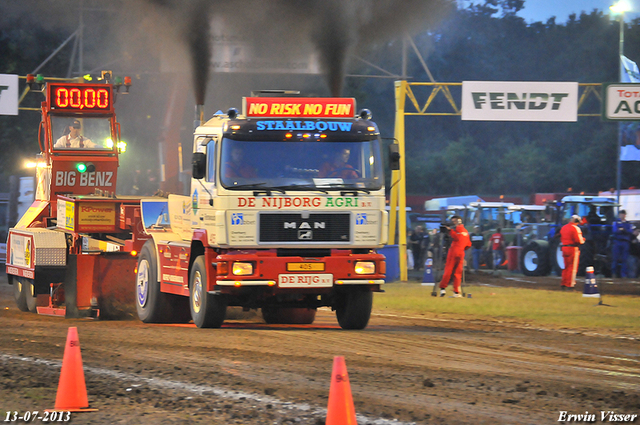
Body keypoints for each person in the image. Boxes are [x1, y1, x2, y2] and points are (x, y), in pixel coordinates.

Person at [438, 215, 471, 297]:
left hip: (453, 252)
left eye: (454, 221)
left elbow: (456, 237)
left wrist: (450, 231)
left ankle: (443, 288)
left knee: (448, 271)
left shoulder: (456, 231)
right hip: (461, 252)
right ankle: (456, 291)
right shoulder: (466, 231)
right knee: (458, 273)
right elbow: (468, 244)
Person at [560, 215, 585, 289]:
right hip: (572, 248)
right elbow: (579, 241)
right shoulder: (575, 228)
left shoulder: (564, 227)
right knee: (572, 267)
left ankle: (563, 283)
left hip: (564, 247)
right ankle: (569, 284)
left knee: (566, 267)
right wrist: (583, 239)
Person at [611, 209, 634, 278]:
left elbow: (630, 231)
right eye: (620, 214)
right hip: (617, 241)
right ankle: (614, 273)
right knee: (615, 258)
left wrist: (623, 230)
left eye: (623, 214)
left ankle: (623, 274)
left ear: (625, 215)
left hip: (625, 242)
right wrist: (624, 231)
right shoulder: (616, 223)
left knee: (625, 259)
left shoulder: (628, 223)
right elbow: (615, 231)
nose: (621, 215)